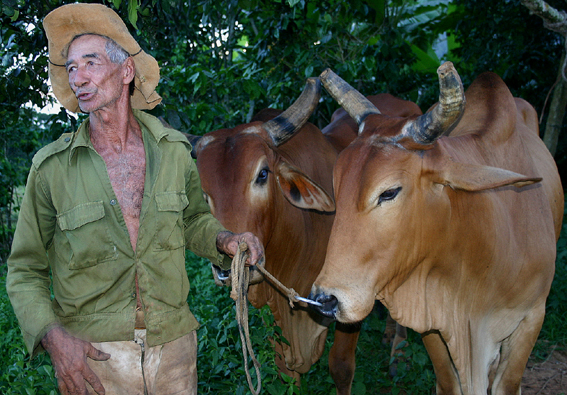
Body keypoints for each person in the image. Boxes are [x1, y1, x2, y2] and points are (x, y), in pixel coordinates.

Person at [6, 3, 264, 395]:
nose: (78, 78)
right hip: (94, 359)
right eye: (71, 68)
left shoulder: (174, 151)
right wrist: (54, 339)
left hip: (174, 352)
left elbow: (193, 220)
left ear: (126, 71)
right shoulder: (51, 168)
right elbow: (25, 269)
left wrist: (226, 241)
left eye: (90, 63)